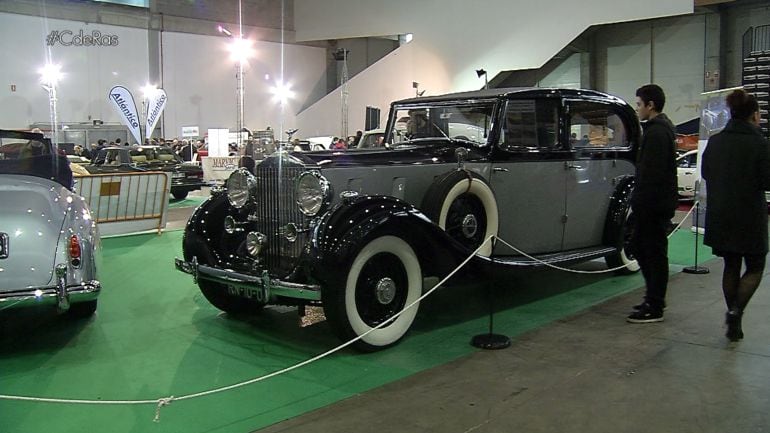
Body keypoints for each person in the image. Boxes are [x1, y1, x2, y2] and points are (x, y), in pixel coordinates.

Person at [702, 89, 770, 341]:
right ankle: (736, 310)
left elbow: (707, 173)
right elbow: (767, 180)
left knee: (730, 264)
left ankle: (734, 317)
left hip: (720, 213)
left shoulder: (715, 141)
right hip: (750, 215)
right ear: (754, 115)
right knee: (755, 266)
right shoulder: (760, 143)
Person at [626, 84, 678, 323]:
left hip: (652, 205)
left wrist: (640, 204)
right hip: (654, 203)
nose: (637, 109)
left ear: (651, 105)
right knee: (642, 248)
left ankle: (655, 303)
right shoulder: (660, 129)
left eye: (639, 104)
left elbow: (651, 174)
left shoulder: (657, 133)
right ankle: (654, 298)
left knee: (652, 253)